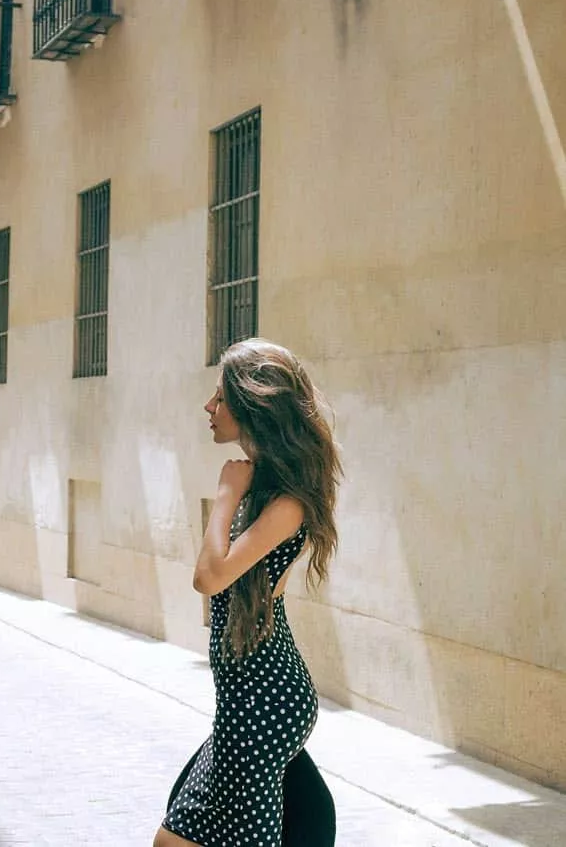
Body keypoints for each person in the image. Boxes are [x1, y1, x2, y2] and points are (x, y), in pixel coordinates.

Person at [153, 338, 343, 847]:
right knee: (176, 839)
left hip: (264, 698)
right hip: (243, 695)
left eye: (220, 398)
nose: (209, 408)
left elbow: (209, 577)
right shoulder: (261, 487)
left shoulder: (285, 503)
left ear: (252, 407)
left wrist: (224, 494)